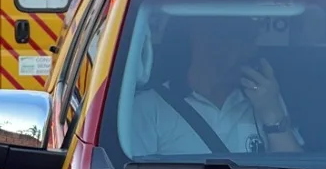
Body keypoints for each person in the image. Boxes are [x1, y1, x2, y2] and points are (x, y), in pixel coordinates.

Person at [129, 15, 303, 155]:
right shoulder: (148, 108)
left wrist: (271, 112)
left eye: (251, 41)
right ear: (202, 42)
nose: (252, 51)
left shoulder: (263, 97)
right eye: (242, 40)